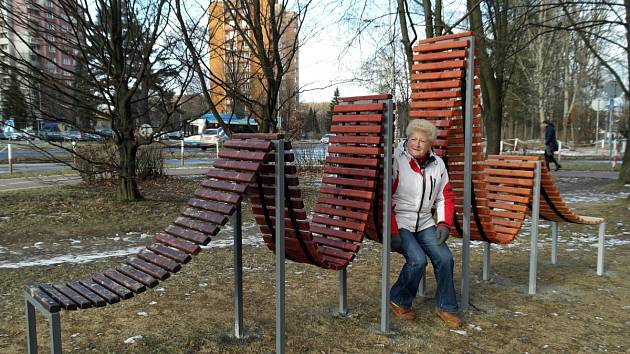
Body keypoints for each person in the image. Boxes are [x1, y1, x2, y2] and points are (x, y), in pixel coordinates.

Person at [389, 119, 461, 329]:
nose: (416, 144)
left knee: (445, 258)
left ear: (430, 144)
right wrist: (393, 231)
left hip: (425, 222)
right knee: (418, 260)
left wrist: (444, 224)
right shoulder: (396, 159)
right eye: (413, 139)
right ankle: (399, 299)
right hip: (400, 220)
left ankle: (446, 306)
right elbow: (384, 198)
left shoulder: (438, 164)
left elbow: (445, 196)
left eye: (422, 141)